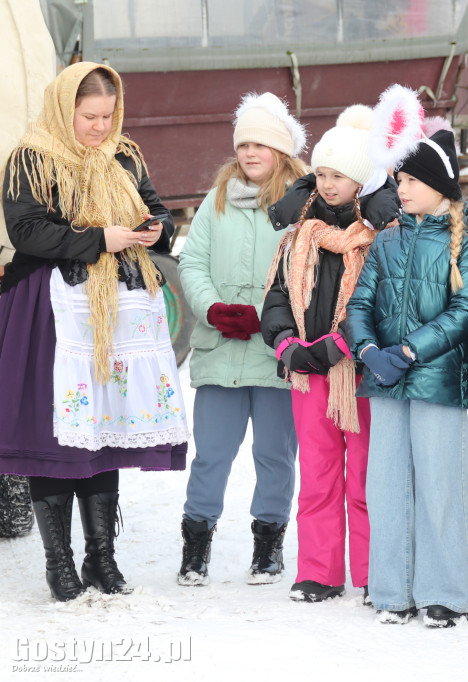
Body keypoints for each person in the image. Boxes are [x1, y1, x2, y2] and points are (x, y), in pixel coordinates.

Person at [0, 62, 188, 601]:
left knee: (104, 428)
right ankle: (59, 564)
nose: (101, 127)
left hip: (117, 311)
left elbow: (155, 209)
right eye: (89, 117)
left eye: (108, 115)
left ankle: (101, 559)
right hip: (52, 310)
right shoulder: (31, 159)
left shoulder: (124, 155)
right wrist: (99, 238)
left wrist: (155, 229)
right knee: (55, 435)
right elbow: (26, 231)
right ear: (65, 109)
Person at [260, 104, 400, 603]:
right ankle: (318, 571)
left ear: (361, 181)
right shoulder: (301, 235)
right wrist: (286, 343)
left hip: (359, 375)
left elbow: (384, 302)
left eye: (338, 175)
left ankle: (371, 572)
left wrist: (340, 343)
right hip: (308, 375)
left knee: (364, 477)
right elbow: (277, 295)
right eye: (320, 174)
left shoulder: (380, 238)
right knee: (317, 475)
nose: (327, 184)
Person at [346, 128, 468, 628]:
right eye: (398, 180)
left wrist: (408, 350)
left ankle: (444, 591)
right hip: (385, 381)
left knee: (439, 485)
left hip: (436, 382)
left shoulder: (465, 242)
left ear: (438, 185)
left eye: (411, 181)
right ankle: (391, 590)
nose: (401, 189)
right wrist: (368, 350)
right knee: (385, 485)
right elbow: (359, 303)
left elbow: (466, 310)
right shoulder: (386, 241)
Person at [175, 93, 307, 587]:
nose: (250, 153)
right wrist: (212, 308)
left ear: (281, 151)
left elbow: (309, 271)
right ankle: (196, 545)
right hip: (221, 349)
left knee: (274, 454)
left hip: (276, 353)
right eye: (243, 144)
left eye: (261, 144)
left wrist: (277, 318)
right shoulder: (217, 201)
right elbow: (193, 262)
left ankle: (268, 546)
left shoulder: (302, 203)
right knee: (211, 453)